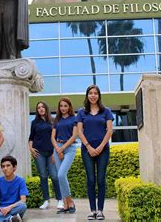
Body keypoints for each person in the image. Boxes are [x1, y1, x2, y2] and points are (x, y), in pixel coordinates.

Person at [76, 85, 114, 220]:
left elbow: (109, 130)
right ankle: (92, 210)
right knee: (91, 179)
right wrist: (89, 146)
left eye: (95, 93)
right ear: (87, 95)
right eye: (90, 93)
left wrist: (101, 147)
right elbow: (80, 131)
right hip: (87, 150)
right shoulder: (81, 112)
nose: (93, 95)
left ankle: (101, 211)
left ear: (99, 95)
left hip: (103, 150)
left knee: (101, 179)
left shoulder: (106, 111)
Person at [28, 101, 63, 210]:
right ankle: (46, 200)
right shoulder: (34, 123)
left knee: (54, 176)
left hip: (52, 153)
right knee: (43, 176)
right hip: (39, 153)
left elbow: (57, 137)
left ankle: (60, 200)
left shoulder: (53, 121)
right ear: (37, 110)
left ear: (46, 108)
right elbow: (31, 138)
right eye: (38, 107)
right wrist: (31, 149)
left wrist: (55, 152)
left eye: (43, 107)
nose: (41, 109)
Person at [51, 97, 78, 214]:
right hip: (57, 148)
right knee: (60, 176)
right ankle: (65, 204)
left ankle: (70, 201)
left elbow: (74, 136)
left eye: (65, 106)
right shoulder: (56, 120)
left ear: (69, 107)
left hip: (69, 148)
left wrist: (62, 148)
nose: (63, 108)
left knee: (61, 174)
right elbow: (52, 137)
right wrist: (57, 148)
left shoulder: (74, 119)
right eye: (61, 106)